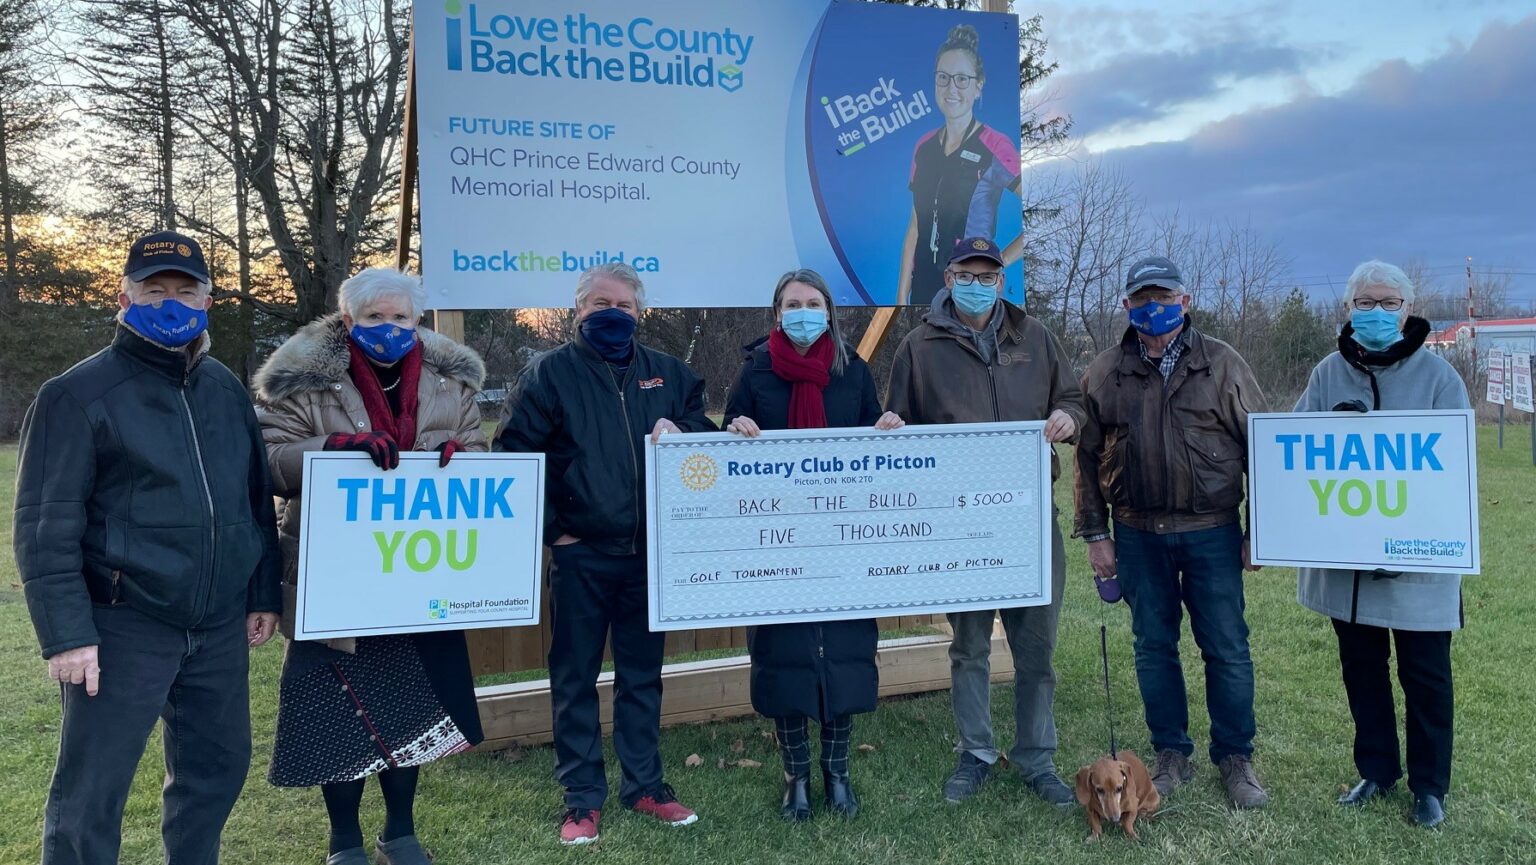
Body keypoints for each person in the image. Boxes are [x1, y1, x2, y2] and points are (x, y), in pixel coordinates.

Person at [14, 231, 282, 865]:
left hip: (217, 624)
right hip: (121, 624)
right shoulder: (75, 395)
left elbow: (253, 503)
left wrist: (261, 591)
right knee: (92, 791)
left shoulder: (225, 390)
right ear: (125, 296)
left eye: (184, 290)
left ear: (208, 300)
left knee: (216, 772)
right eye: (153, 289)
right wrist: (66, 634)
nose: (170, 302)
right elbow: (43, 525)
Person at [254, 267, 487, 865]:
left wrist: (464, 459)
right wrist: (331, 452)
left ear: (418, 322)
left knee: (412, 705)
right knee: (339, 715)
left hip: (421, 569)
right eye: (376, 318)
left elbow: (478, 449)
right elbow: (269, 461)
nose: (390, 328)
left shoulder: (449, 381)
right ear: (349, 320)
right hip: (335, 574)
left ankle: (401, 832)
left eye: (401, 318)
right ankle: (344, 841)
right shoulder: (303, 383)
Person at [495, 262, 716, 845]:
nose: (608, 313)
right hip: (582, 556)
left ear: (640, 312)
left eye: (620, 304)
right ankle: (581, 798)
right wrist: (553, 532)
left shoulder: (672, 375)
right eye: (597, 304)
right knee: (574, 679)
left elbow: (704, 448)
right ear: (577, 311)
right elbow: (516, 461)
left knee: (642, 676)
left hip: (650, 558)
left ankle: (645, 785)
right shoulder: (546, 376)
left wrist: (686, 434)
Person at [886, 237, 1084, 806]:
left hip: (1028, 516)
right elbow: (899, 422)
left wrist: (1068, 417)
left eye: (988, 275)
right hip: (959, 520)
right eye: (967, 274)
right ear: (948, 279)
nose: (978, 283)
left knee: (1036, 646)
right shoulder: (918, 348)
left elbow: (1074, 400)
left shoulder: (1037, 338)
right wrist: (892, 429)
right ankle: (975, 751)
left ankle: (1037, 757)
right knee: (969, 642)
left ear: (1002, 280)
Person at [1074, 255, 1270, 809]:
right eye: (1141, 298)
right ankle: (1170, 755)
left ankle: (1236, 758)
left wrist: (1261, 530)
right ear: (1127, 305)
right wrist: (1096, 534)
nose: (1152, 307)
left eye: (1164, 297)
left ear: (1185, 302)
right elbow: (1087, 459)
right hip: (1136, 533)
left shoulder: (1224, 365)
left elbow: (1264, 448)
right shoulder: (1105, 371)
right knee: (1153, 648)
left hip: (1213, 531)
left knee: (1227, 648)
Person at [722, 269, 906, 821]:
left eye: (813, 303)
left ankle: (838, 773)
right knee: (786, 659)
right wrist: (736, 429)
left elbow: (876, 438)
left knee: (844, 659)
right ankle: (796, 777)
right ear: (777, 315)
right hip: (778, 545)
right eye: (792, 304)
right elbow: (728, 430)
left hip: (843, 545)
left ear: (828, 311)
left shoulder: (853, 372)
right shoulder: (754, 372)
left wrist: (889, 425)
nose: (803, 312)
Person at [1292, 260, 1467, 829]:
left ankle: (1430, 786)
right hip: (1349, 568)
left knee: (1426, 674)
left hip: (1418, 565)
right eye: (1364, 302)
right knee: (1361, 668)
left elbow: (1455, 472)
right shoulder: (1326, 374)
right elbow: (1293, 451)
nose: (1375, 311)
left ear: (1408, 308)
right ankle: (1376, 768)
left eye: (1387, 301)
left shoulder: (1439, 378)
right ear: (1347, 310)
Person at [896, 24, 1022, 306]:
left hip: (971, 292)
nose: (951, 88)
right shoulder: (924, 147)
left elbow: (1032, 217)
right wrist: (901, 299)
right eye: (943, 77)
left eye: (962, 79)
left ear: (979, 87)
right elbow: (915, 228)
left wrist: (996, 262)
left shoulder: (996, 146)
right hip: (925, 290)